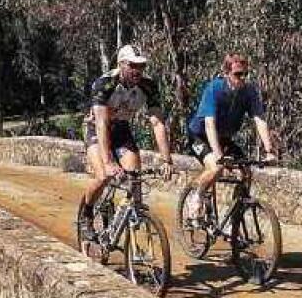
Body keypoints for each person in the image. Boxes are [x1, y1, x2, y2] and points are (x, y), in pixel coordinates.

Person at [80, 44, 174, 240]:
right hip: (97, 129)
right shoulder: (105, 83)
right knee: (103, 176)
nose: (137, 71)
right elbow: (102, 123)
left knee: (134, 177)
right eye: (132, 65)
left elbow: (157, 123)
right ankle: (87, 214)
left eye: (141, 66)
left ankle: (129, 218)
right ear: (121, 64)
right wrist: (108, 162)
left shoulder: (148, 86)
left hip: (121, 129)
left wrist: (166, 159)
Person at [187, 53, 276, 217]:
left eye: (245, 74)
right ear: (226, 73)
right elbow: (209, 124)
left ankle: (233, 220)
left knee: (245, 173)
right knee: (215, 168)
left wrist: (269, 150)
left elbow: (260, 120)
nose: (242, 78)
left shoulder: (249, 92)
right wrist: (218, 154)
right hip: (200, 136)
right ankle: (197, 196)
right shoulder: (215, 89)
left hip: (224, 138)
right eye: (237, 74)